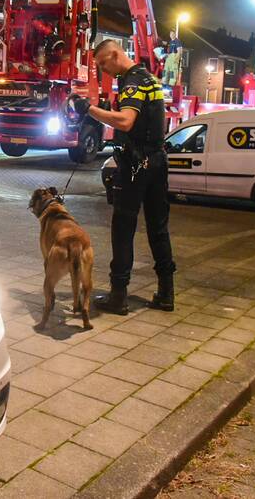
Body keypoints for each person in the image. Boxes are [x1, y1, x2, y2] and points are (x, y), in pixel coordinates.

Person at [71, 40, 176, 314]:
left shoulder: (132, 82)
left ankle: (118, 296)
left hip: (136, 162)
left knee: (123, 227)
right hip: (157, 160)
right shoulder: (150, 79)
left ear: (115, 54)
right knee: (158, 228)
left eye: (103, 63)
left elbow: (126, 121)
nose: (102, 70)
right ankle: (166, 293)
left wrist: (89, 110)